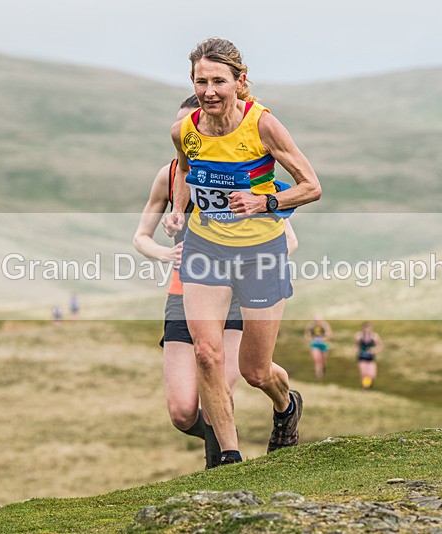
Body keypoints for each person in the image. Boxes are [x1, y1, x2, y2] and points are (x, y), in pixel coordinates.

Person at [163, 37, 321, 465]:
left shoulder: (263, 125)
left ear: (240, 81)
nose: (209, 90)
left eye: (219, 80)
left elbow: (312, 187)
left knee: (255, 371)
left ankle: (285, 405)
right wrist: (177, 211)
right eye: (201, 81)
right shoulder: (185, 130)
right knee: (207, 354)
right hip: (205, 248)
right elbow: (184, 172)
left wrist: (265, 202)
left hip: (260, 253)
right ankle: (230, 461)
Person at [134, 95, 300, 468]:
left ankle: (223, 465)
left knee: (233, 377)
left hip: (241, 287)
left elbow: (288, 239)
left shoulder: (239, 169)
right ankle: (224, 441)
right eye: (184, 129)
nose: (192, 133)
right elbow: (140, 236)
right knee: (181, 411)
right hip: (188, 287)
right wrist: (165, 253)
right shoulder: (170, 175)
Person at [355, 322, 384, 390]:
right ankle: (366, 388)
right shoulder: (359, 336)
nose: (367, 330)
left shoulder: (374, 336)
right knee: (364, 374)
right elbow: (355, 345)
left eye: (368, 328)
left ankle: (369, 386)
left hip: (371, 358)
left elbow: (381, 345)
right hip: (362, 358)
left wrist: (374, 351)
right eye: (365, 328)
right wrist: (357, 351)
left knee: (372, 374)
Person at [304, 313, 332, 379]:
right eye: (316, 320)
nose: (317, 322)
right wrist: (312, 339)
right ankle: (319, 375)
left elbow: (329, 334)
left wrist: (323, 338)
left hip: (323, 344)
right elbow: (306, 335)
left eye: (318, 320)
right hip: (314, 344)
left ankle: (322, 370)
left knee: (323, 360)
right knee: (317, 359)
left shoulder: (324, 325)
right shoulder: (311, 326)